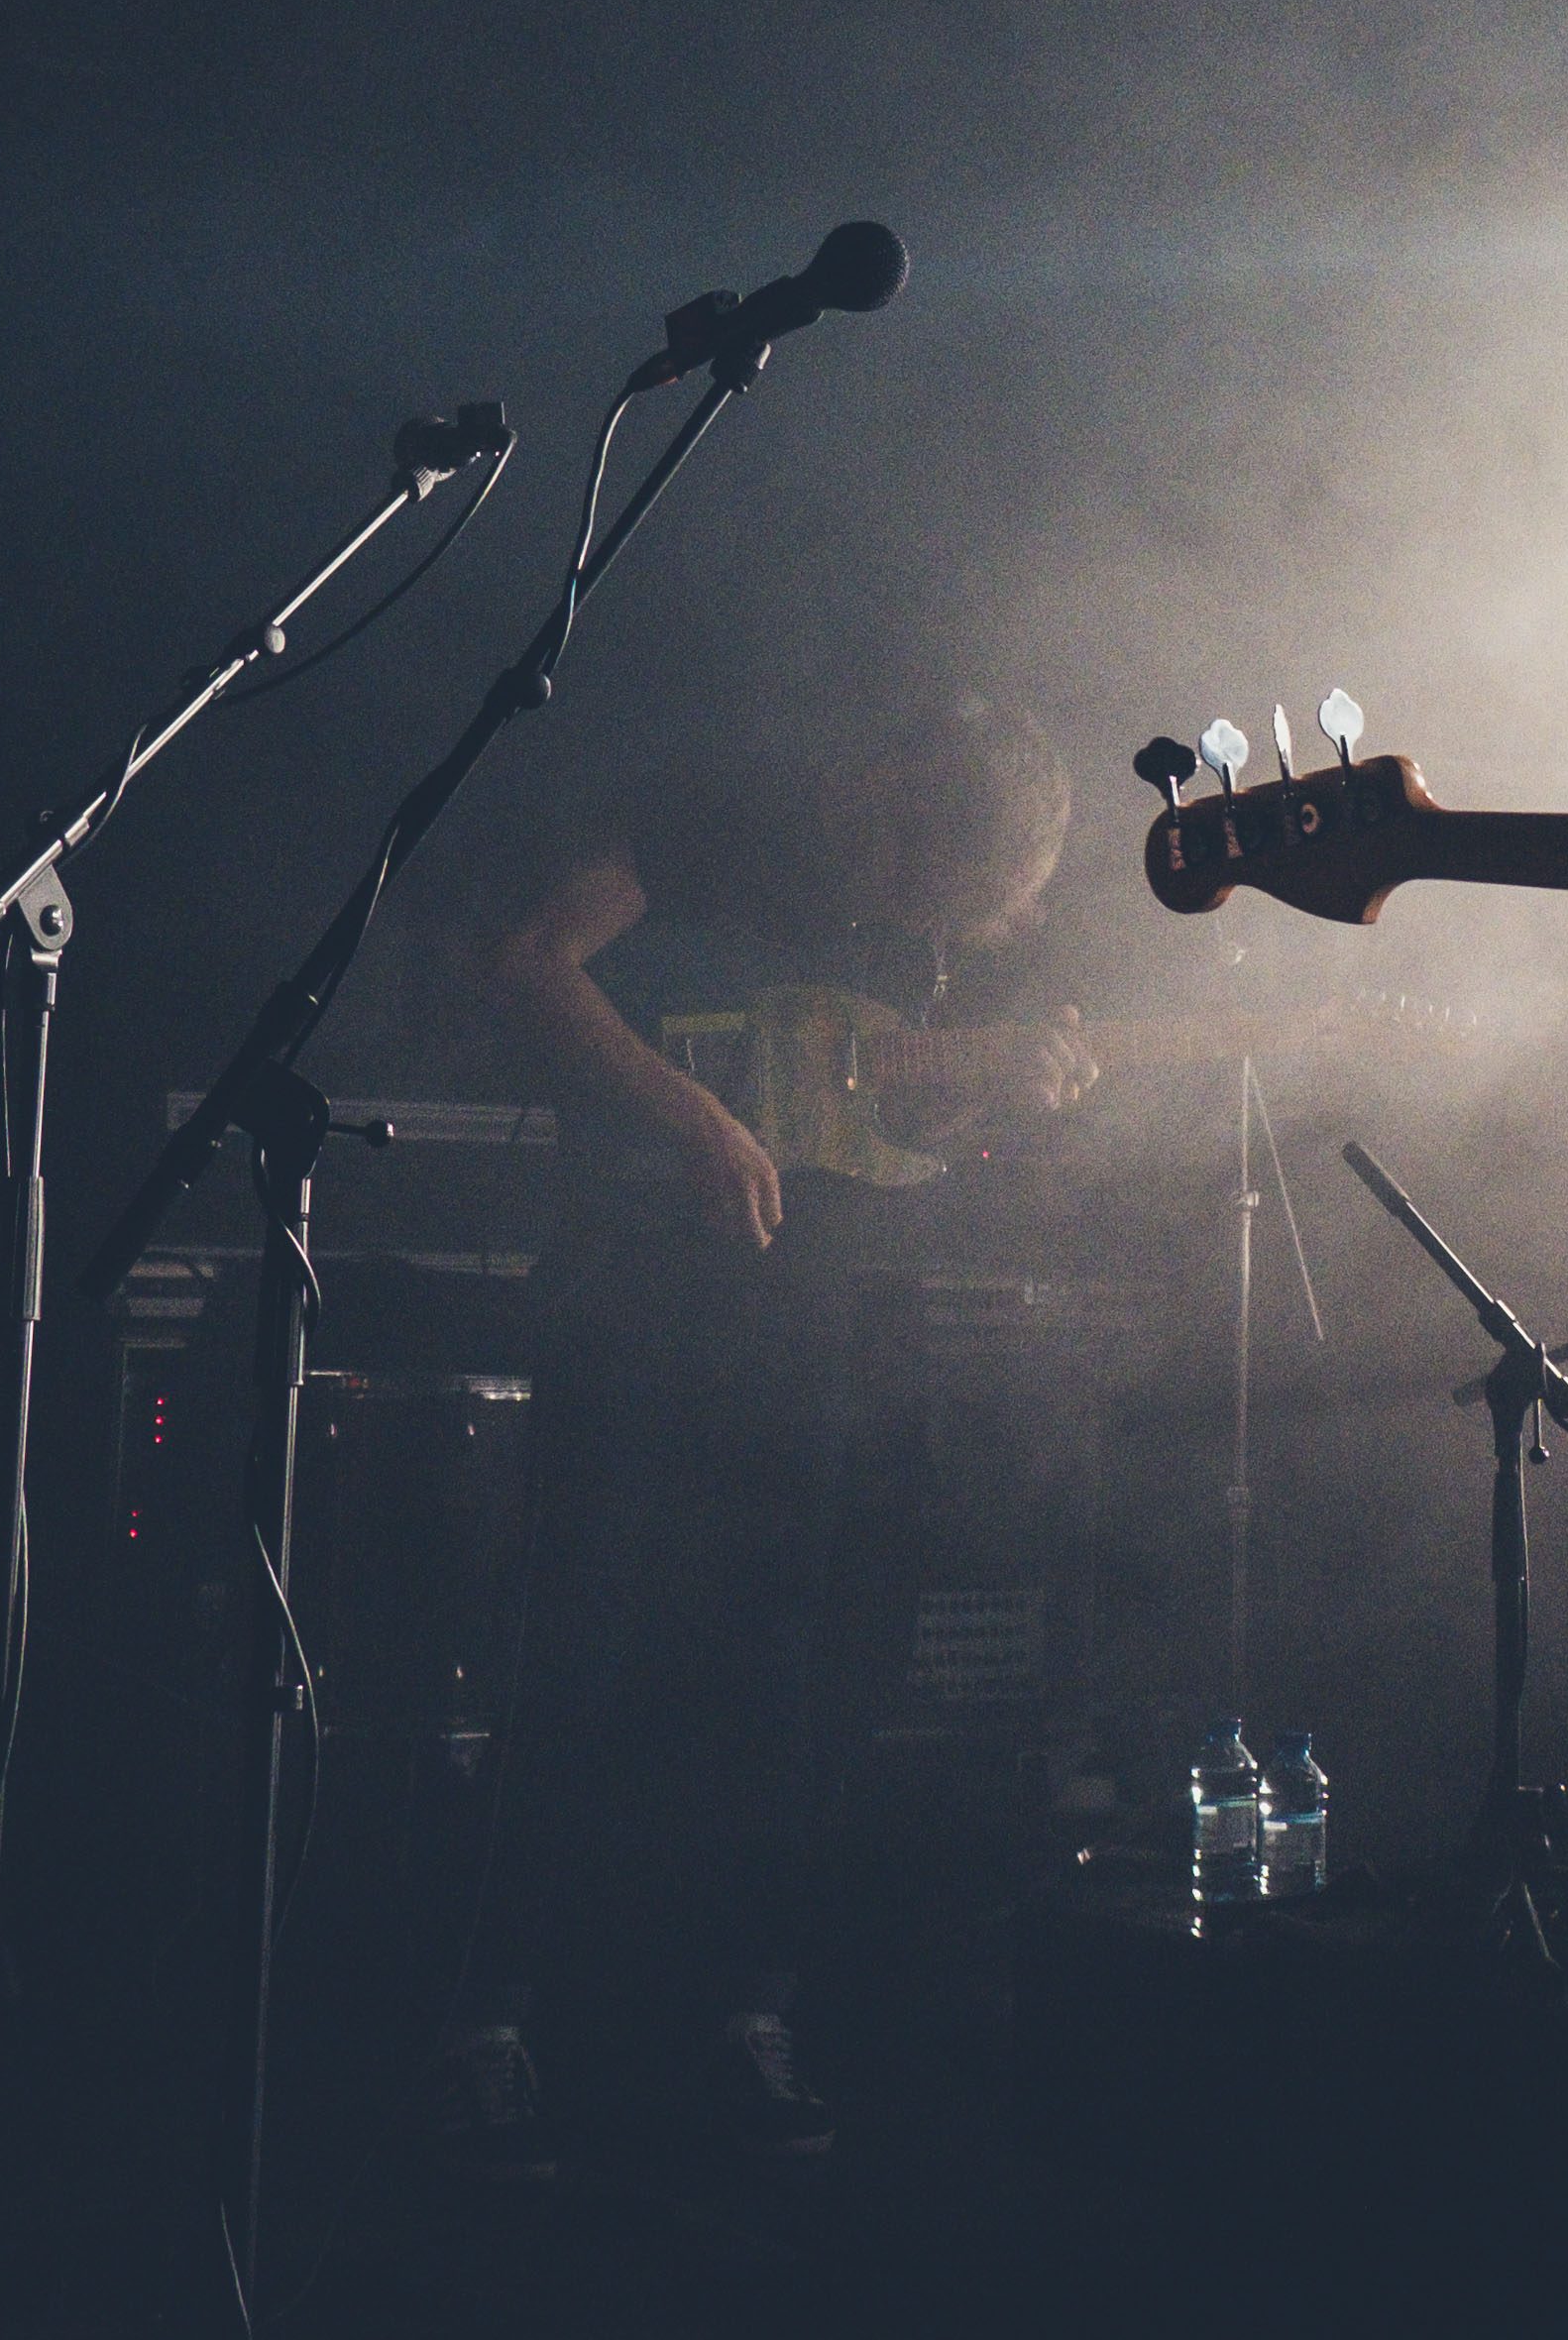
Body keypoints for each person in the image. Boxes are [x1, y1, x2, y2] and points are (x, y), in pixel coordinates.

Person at [431, 695, 1082, 2177]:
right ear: (897, 797)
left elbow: (891, 1138)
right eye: (916, 876)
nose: (912, 915)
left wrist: (1001, 1094)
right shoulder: (717, 809)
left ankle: (741, 2017)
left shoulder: (915, 939)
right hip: (628, 1293)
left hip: (800, 1324)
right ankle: (480, 2025)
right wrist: (695, 1121)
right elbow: (531, 962)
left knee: (779, 1675)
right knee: (576, 1652)